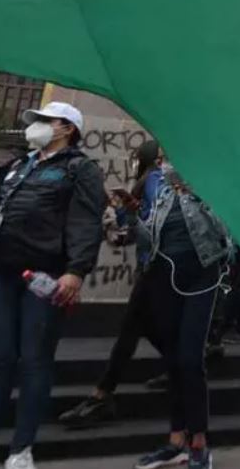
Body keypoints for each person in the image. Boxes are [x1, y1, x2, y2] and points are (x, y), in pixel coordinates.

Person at [0, 102, 106, 469]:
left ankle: (21, 450)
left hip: (44, 277)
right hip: (0, 271)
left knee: (34, 360)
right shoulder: (15, 165)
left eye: (46, 121)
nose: (37, 126)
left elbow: (86, 223)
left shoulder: (80, 169)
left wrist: (76, 270)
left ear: (66, 128)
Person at [132, 147, 231, 469]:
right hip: (163, 277)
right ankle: (176, 441)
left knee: (190, 359)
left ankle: (199, 442)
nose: (165, 162)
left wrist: (197, 195)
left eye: (170, 154)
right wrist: (126, 215)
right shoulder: (156, 188)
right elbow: (146, 233)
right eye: (161, 157)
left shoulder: (211, 184)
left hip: (201, 275)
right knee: (173, 360)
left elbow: (227, 234)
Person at [60, 140, 163, 428]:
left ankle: (102, 394)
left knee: (132, 329)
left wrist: (124, 214)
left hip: (155, 267)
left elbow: (145, 227)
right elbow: (134, 230)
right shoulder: (152, 181)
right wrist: (124, 212)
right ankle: (180, 366)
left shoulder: (153, 179)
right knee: (144, 329)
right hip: (154, 266)